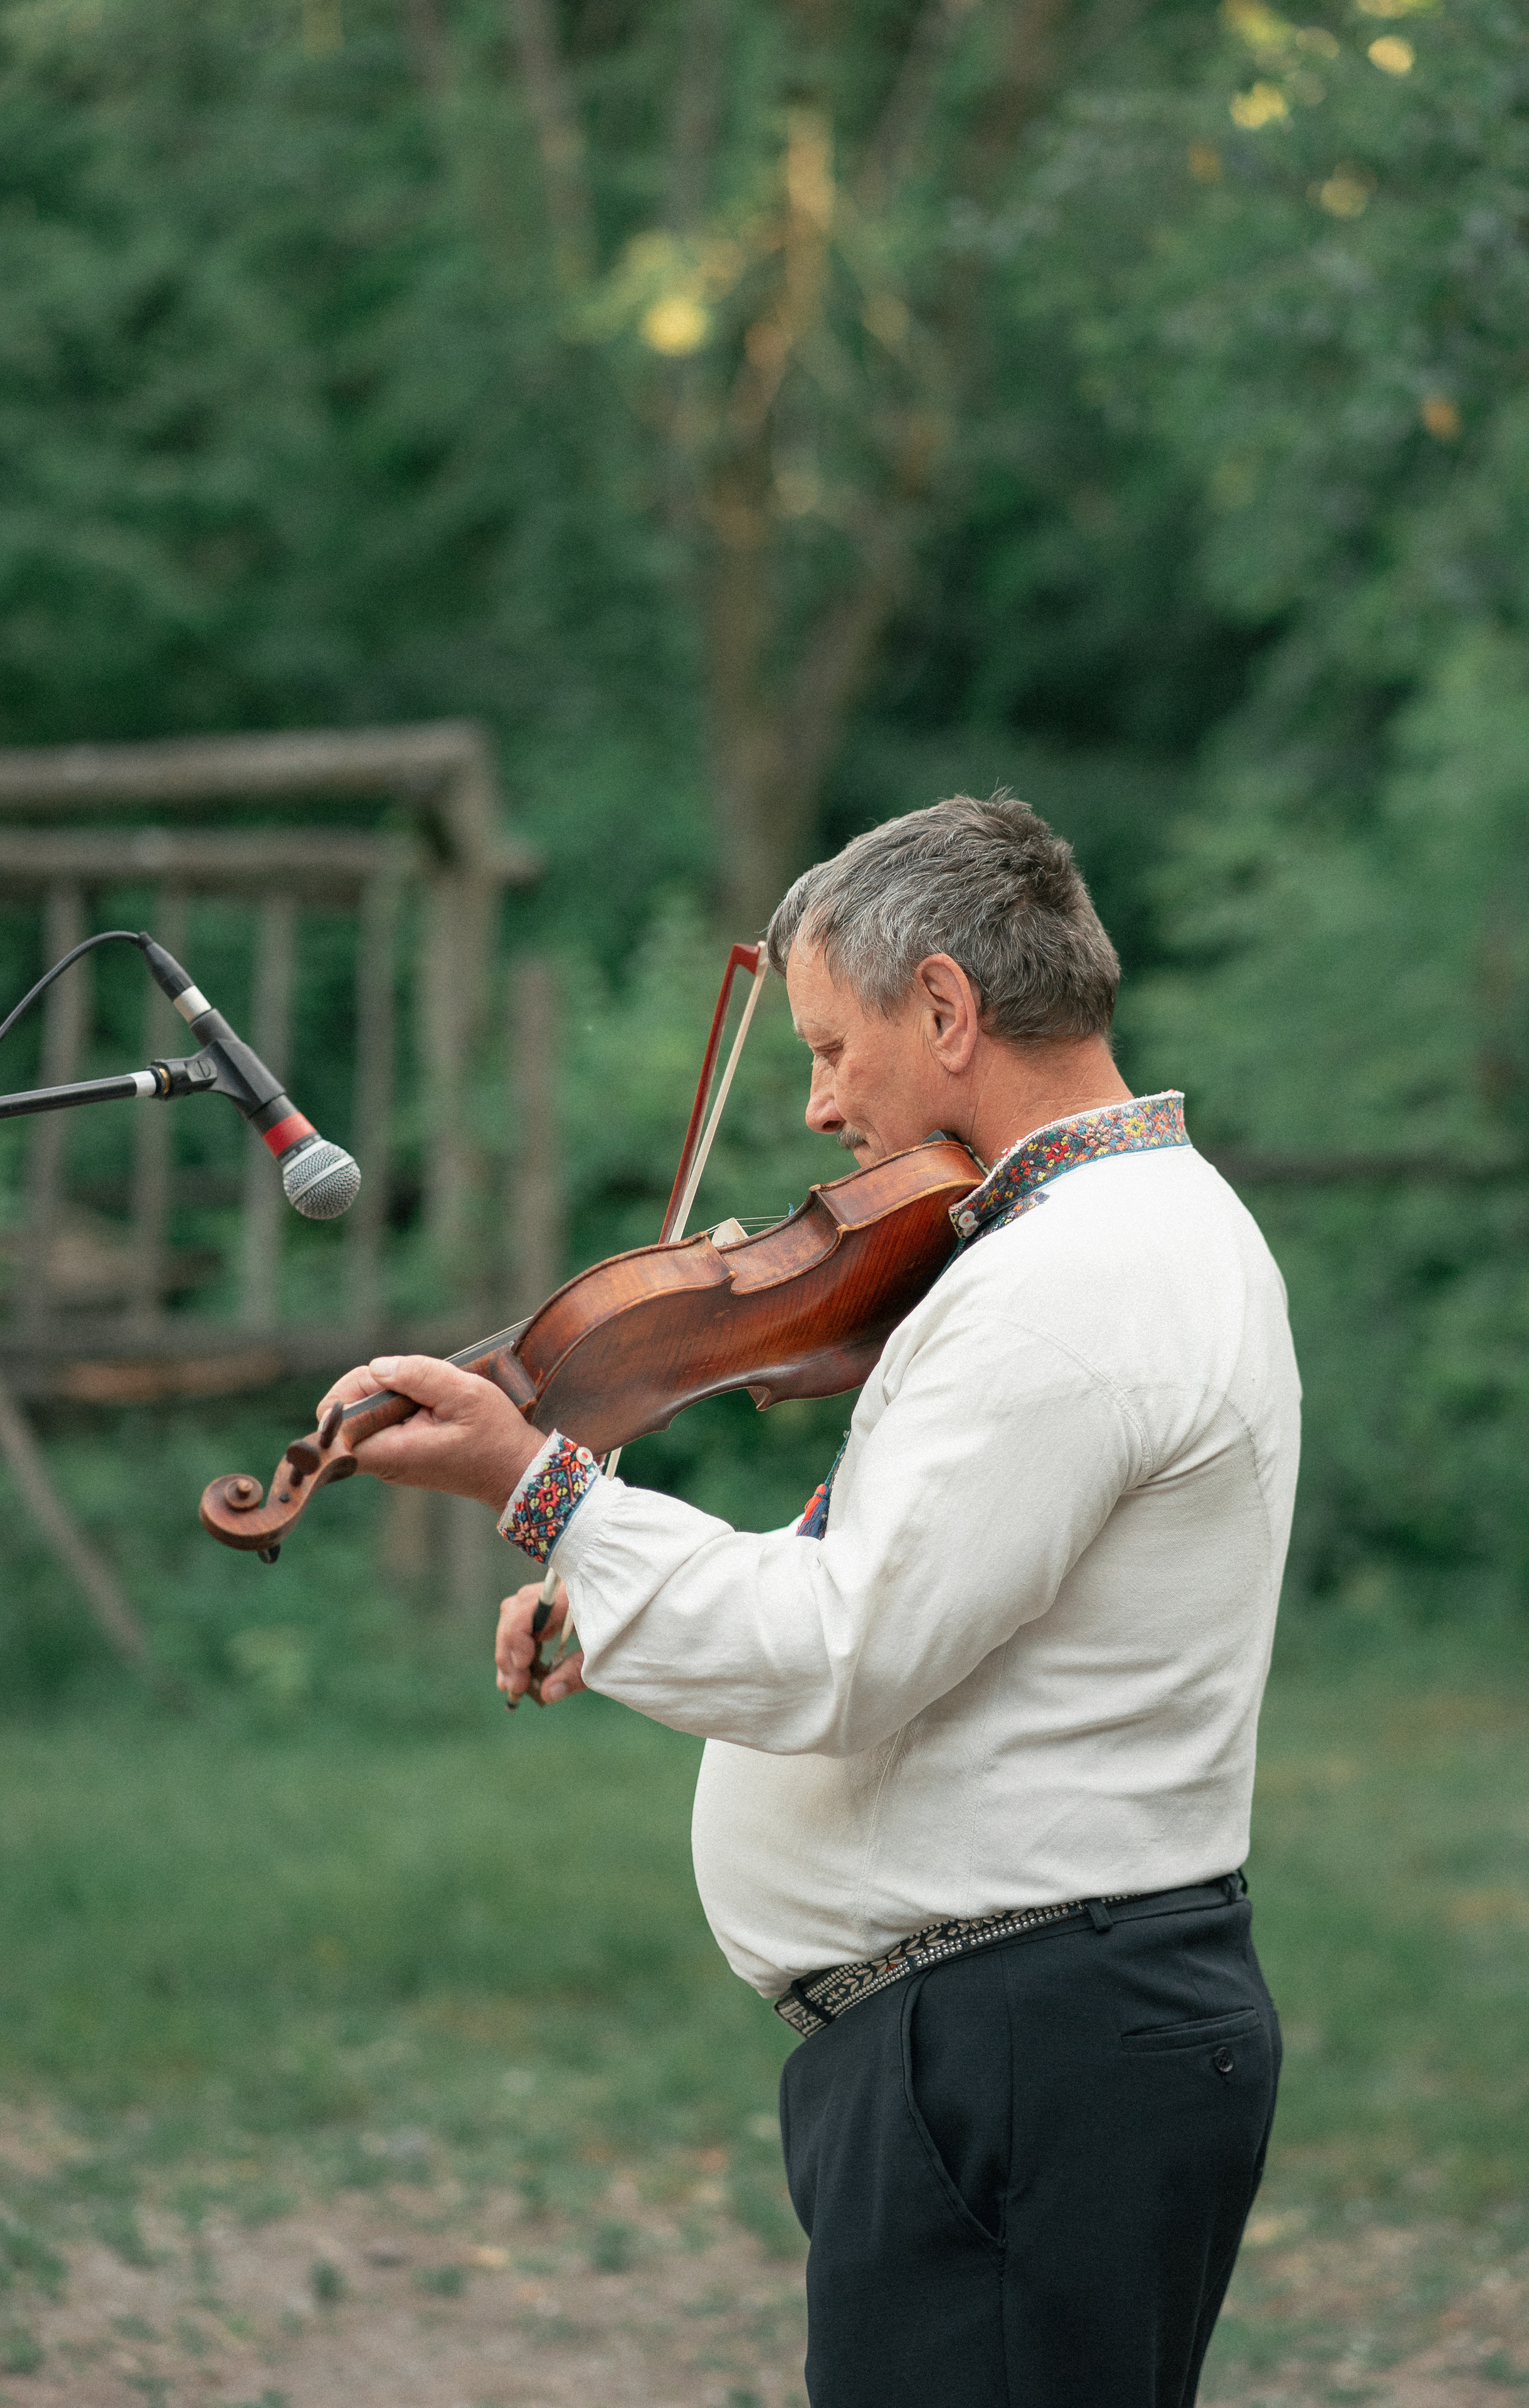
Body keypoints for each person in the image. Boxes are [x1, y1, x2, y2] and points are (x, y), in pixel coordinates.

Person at [319, 794, 1301, 2408]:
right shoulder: (1104, 1237)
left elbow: (845, 1651)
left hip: (1020, 2052)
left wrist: (540, 1490)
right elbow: (921, 1570)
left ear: (944, 1006)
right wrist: (605, 1567)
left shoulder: (1071, 1283)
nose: (818, 1106)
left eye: (836, 1047)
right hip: (1031, 2038)